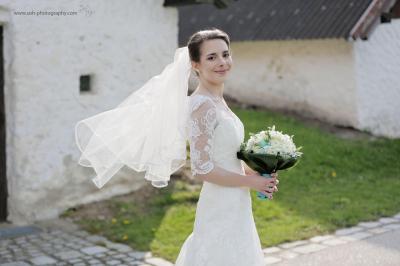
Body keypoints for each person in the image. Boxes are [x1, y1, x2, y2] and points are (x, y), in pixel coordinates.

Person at [174, 28, 279, 266]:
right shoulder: (203, 106)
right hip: (219, 202)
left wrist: (256, 174)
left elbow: (225, 155)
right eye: (211, 57)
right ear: (195, 65)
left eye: (225, 54)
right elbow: (202, 168)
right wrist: (250, 182)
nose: (222, 62)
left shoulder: (217, 101)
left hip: (235, 200)